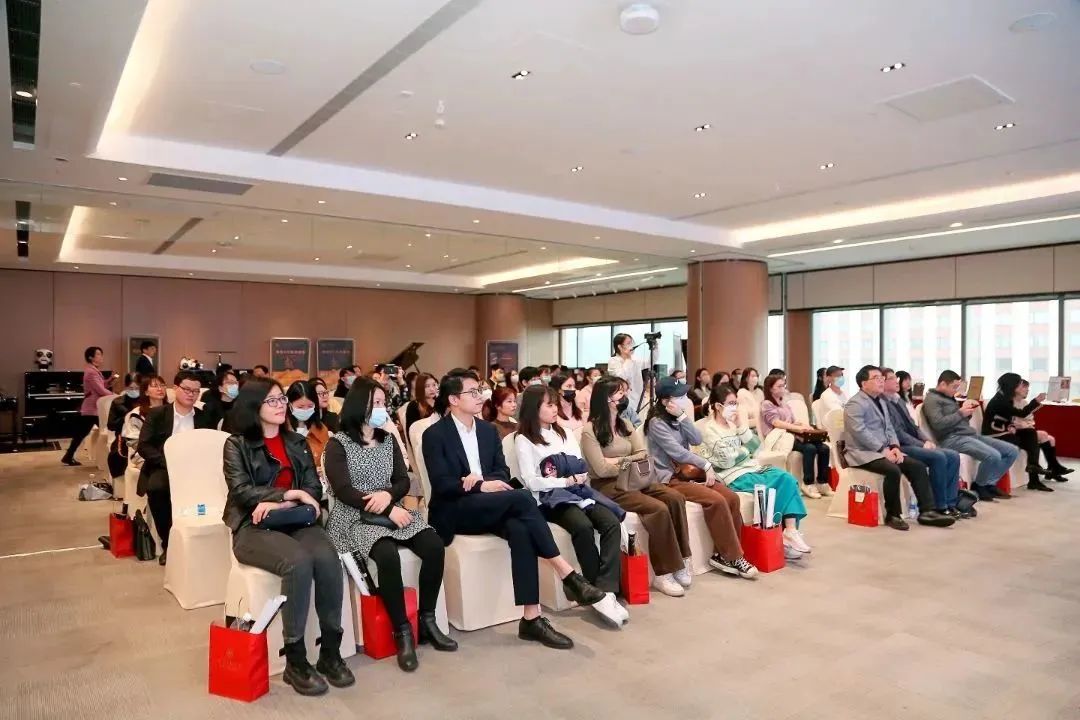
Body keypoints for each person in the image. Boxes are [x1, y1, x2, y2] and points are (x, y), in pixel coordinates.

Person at [421, 370, 605, 650]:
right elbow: (442, 483)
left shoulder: (487, 430)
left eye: (479, 390)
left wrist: (487, 483)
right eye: (472, 392)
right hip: (456, 509)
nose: (479, 396)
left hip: (490, 504)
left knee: (521, 528)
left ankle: (531, 618)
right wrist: (479, 485)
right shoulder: (435, 434)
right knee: (522, 498)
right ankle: (567, 573)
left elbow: (501, 472)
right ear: (454, 399)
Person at [222, 378, 353, 695]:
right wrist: (289, 494)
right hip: (252, 527)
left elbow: (313, 489)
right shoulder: (236, 445)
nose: (281, 405)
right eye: (273, 401)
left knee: (328, 557)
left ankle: (330, 652)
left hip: (295, 520)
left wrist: (283, 502)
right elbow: (242, 493)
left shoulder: (296, 441)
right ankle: (295, 661)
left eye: (282, 399)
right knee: (297, 562)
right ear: (254, 406)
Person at [324, 378, 456, 671]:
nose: (382, 409)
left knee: (434, 545)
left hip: (390, 510)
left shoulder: (387, 439)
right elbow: (344, 490)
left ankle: (427, 619)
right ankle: (402, 630)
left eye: (384, 403)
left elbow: (402, 481)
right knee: (386, 555)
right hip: (355, 516)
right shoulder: (338, 444)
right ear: (360, 405)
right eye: (376, 403)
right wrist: (385, 506)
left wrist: (388, 497)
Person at [514, 385, 627, 627]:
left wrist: (571, 476)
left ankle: (605, 590)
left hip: (578, 491)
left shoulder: (564, 432)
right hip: (549, 498)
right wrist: (563, 480)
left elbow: (579, 466)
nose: (555, 408)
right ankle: (596, 592)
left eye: (555, 404)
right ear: (534, 408)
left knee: (610, 522)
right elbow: (532, 480)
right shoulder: (524, 439)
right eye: (549, 405)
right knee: (582, 526)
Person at [580, 377, 692, 597]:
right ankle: (664, 573)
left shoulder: (625, 424)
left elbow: (642, 454)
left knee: (675, 498)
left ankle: (683, 559)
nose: (625, 397)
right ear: (607, 399)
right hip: (608, 486)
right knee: (657, 508)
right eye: (620, 393)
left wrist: (619, 461)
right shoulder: (590, 430)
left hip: (635, 477)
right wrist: (626, 462)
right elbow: (601, 470)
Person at [645, 376, 758, 579]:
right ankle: (734, 557)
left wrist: (682, 417)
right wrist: (705, 465)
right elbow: (677, 452)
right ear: (665, 401)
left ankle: (723, 554)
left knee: (732, 497)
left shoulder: (676, 418)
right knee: (716, 500)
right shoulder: (656, 423)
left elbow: (696, 439)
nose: (684, 400)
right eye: (679, 397)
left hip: (688, 473)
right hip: (670, 478)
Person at [694, 384, 812, 558]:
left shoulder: (734, 425)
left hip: (751, 469)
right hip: (734, 476)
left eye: (736, 403)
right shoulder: (708, 430)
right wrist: (745, 451)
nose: (735, 407)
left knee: (787, 478)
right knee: (779, 483)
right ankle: (782, 536)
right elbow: (726, 460)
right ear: (718, 406)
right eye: (731, 403)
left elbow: (757, 448)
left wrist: (741, 427)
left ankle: (789, 531)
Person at [842, 366, 954, 531]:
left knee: (917, 466)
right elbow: (860, 432)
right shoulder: (855, 403)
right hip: (862, 453)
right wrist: (882, 450)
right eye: (876, 378)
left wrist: (895, 447)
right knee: (893, 470)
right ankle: (893, 515)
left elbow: (889, 428)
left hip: (883, 450)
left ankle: (927, 511)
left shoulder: (880, 401)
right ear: (863, 383)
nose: (881, 381)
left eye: (882, 378)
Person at [137, 370, 217, 564]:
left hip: (196, 469)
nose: (191, 394)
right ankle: (168, 543)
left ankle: (205, 541)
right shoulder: (158, 414)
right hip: (163, 466)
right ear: (175, 388)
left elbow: (211, 444)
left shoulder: (204, 416)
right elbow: (144, 446)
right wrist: (168, 462)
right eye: (187, 389)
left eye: (196, 391)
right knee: (157, 488)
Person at [881, 369, 968, 519]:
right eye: (892, 378)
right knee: (938, 457)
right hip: (899, 445)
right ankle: (940, 505)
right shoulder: (883, 403)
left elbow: (913, 426)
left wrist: (926, 440)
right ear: (882, 382)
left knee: (953, 455)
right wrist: (921, 445)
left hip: (912, 441)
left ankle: (950, 502)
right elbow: (897, 432)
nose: (896, 381)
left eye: (896, 378)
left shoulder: (897, 400)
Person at [923, 370, 1018, 502]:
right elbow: (939, 424)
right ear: (943, 384)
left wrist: (967, 413)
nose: (956, 391)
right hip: (952, 438)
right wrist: (961, 413)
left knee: (1012, 451)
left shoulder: (948, 397)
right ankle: (980, 485)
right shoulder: (932, 400)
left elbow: (958, 420)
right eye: (954, 387)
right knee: (993, 456)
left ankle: (989, 483)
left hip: (968, 434)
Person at [983, 373, 1067, 490]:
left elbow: (1007, 417)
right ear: (1012, 385)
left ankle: (1034, 472)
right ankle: (1036, 475)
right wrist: (1036, 401)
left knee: (1030, 433)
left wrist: (1011, 425)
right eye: (1019, 384)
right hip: (996, 435)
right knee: (1030, 440)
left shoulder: (1004, 398)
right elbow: (1020, 414)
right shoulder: (1000, 400)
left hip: (1005, 432)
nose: (1022, 386)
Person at [761, 374, 832, 499]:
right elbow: (776, 423)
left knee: (823, 448)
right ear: (771, 388)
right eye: (779, 386)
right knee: (810, 448)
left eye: (783, 385)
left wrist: (805, 426)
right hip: (779, 438)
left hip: (792, 435)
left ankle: (822, 482)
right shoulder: (767, 404)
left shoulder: (784, 403)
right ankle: (808, 483)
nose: (783, 388)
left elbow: (793, 421)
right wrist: (796, 428)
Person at [62, 346, 115, 466]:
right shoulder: (91, 372)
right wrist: (114, 396)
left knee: (81, 433)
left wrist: (110, 380)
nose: (101, 357)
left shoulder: (94, 371)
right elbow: (100, 390)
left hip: (93, 408)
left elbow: (101, 385)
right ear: (91, 357)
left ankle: (68, 456)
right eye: (98, 354)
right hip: (92, 408)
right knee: (109, 429)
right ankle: (112, 458)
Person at [1018, 379, 1071, 482]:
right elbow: (1019, 420)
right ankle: (1055, 468)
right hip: (1022, 432)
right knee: (1043, 434)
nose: (1028, 390)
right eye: (1025, 388)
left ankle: (1052, 471)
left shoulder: (1024, 402)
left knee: (1051, 439)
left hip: (1028, 429)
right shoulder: (1012, 403)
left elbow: (1029, 419)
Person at [286, 380, 333, 471]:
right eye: (300, 407)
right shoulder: (282, 430)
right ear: (289, 404)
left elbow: (327, 460)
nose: (305, 410)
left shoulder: (321, 429)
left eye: (310, 406)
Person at [608, 333, 646, 415]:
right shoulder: (613, 361)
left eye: (632, 343)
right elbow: (621, 377)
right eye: (628, 343)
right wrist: (628, 359)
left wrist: (655, 347)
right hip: (622, 401)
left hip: (638, 399)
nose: (631, 346)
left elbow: (650, 362)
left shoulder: (635, 360)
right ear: (620, 347)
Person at [201, 367, 239, 432]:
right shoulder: (210, 408)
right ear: (220, 388)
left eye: (236, 383)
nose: (235, 386)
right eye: (230, 382)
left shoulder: (241, 406)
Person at [404, 372, 439, 437]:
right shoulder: (413, 405)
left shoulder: (439, 401)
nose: (432, 389)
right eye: (427, 386)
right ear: (420, 388)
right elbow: (412, 431)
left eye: (434, 385)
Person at [736, 367, 763, 431]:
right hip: (750, 427)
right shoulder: (741, 392)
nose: (755, 378)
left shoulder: (759, 391)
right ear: (746, 378)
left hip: (761, 424)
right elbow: (745, 414)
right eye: (753, 376)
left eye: (756, 376)